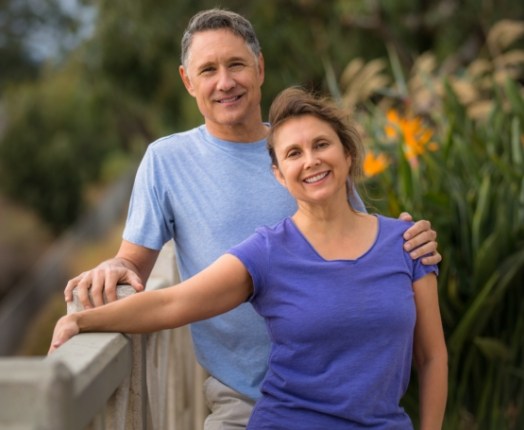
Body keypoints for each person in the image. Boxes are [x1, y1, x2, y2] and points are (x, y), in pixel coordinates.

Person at [62, 9, 442, 429]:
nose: (225, 82)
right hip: (245, 401)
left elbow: (354, 249)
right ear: (188, 81)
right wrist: (109, 278)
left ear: (259, 68)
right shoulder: (168, 162)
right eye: (208, 70)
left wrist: (408, 240)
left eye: (236, 64)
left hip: (354, 397)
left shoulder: (310, 159)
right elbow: (156, 286)